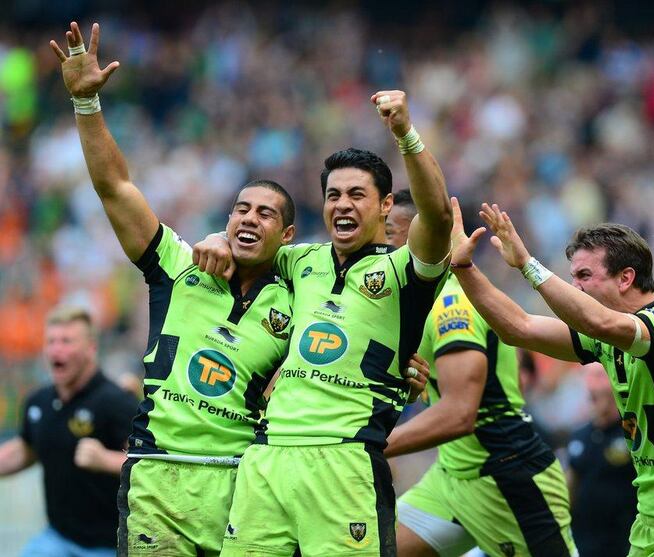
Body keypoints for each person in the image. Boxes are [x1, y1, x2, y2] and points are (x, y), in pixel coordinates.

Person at [49, 22, 297, 557]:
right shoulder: (179, 264)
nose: (248, 219)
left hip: (244, 486)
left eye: (265, 213)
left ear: (289, 235)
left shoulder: (300, 294)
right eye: (240, 209)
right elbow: (115, 188)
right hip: (158, 480)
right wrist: (87, 105)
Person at [194, 91, 452, 556]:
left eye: (357, 195)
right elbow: (250, 238)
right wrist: (215, 236)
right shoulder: (300, 261)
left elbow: (437, 214)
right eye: (333, 195)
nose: (342, 205)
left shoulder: (405, 273)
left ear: (385, 205)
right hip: (268, 457)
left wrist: (405, 135)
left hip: (346, 458)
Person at [447, 198, 654, 557]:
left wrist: (527, 265)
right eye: (572, 276)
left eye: (584, 276)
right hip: (650, 524)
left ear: (626, 278)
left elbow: (597, 321)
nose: (575, 287)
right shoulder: (606, 337)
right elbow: (519, 328)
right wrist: (463, 267)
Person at [384, 190, 577, 557]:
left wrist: (370, 443)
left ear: (420, 236)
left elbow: (459, 413)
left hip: (506, 477)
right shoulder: (412, 300)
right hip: (453, 476)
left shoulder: (452, 304)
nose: (379, 243)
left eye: (389, 232)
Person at [0, 305, 138, 557]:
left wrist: (104, 459)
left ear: (91, 349)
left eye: (66, 341)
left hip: (108, 545)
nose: (56, 349)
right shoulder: (38, 402)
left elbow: (148, 467)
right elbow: (25, 449)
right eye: (51, 341)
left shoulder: (116, 402)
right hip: (57, 538)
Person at [566, 363, 636, 557]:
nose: (590, 385)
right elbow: (569, 490)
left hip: (628, 544)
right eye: (586, 377)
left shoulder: (633, 429)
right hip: (585, 546)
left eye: (598, 377)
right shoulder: (579, 436)